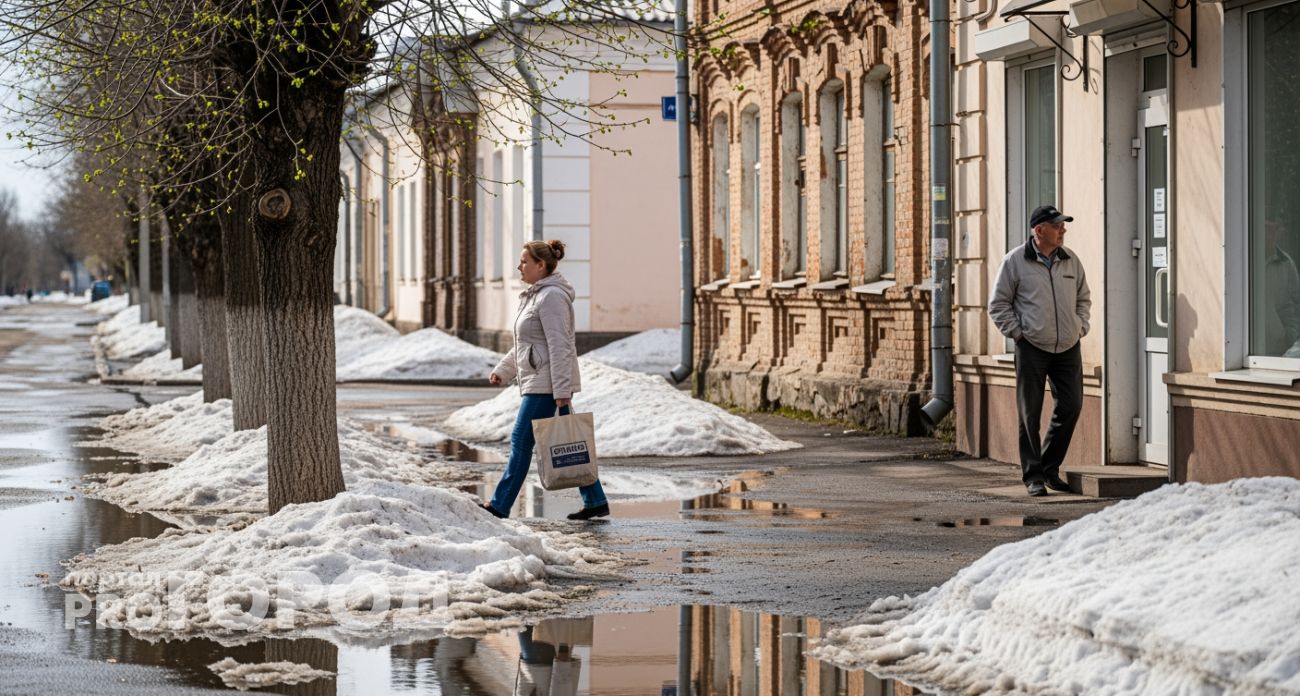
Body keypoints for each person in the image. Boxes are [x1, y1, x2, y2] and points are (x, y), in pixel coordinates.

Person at [482, 239, 610, 521]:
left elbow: (560, 345)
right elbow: (525, 343)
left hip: (547, 383)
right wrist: (503, 370)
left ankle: (499, 506)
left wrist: (562, 390)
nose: (519, 266)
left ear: (541, 266)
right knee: (570, 441)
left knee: (520, 440)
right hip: (539, 380)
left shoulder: (551, 296)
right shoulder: (535, 295)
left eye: (524, 261)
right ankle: (595, 499)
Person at [989, 205, 1092, 497]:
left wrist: (1079, 327)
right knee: (1029, 413)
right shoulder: (1015, 262)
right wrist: (1019, 334)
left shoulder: (1071, 260)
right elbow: (998, 305)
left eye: (1063, 225)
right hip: (1032, 346)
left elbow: (1083, 299)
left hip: (1068, 347)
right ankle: (1033, 476)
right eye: (1057, 225)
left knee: (1071, 406)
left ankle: (1049, 468)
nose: (1063, 229)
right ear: (1039, 230)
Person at [1262, 221, 1300, 357]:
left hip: (1279, 350)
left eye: (1273, 230)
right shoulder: (1244, 259)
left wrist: (1290, 336)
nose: (1269, 235)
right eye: (1266, 229)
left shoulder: (1286, 263)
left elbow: (1294, 303)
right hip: (1247, 352)